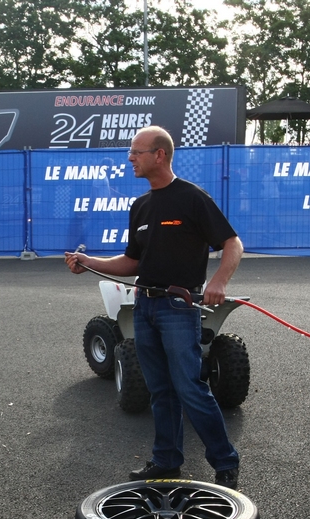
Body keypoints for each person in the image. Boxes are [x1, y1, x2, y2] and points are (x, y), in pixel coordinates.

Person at [64, 125, 243, 489]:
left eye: (136, 152)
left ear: (159, 155)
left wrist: (219, 282)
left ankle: (225, 462)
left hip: (178, 308)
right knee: (159, 389)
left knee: (189, 388)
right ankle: (166, 461)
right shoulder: (140, 205)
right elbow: (132, 262)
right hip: (143, 306)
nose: (130, 158)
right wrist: (89, 262)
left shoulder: (192, 198)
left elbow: (232, 243)